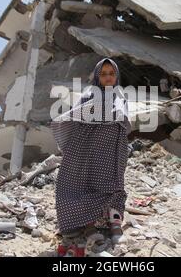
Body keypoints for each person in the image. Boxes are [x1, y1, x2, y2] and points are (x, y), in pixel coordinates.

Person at [50, 57, 131, 257]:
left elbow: (124, 125)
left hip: (111, 153)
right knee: (74, 186)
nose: (108, 77)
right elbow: (78, 118)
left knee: (110, 187)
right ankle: (78, 228)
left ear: (117, 75)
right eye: (103, 74)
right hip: (87, 151)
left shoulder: (121, 97)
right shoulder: (88, 95)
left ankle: (110, 224)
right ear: (97, 76)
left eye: (111, 73)